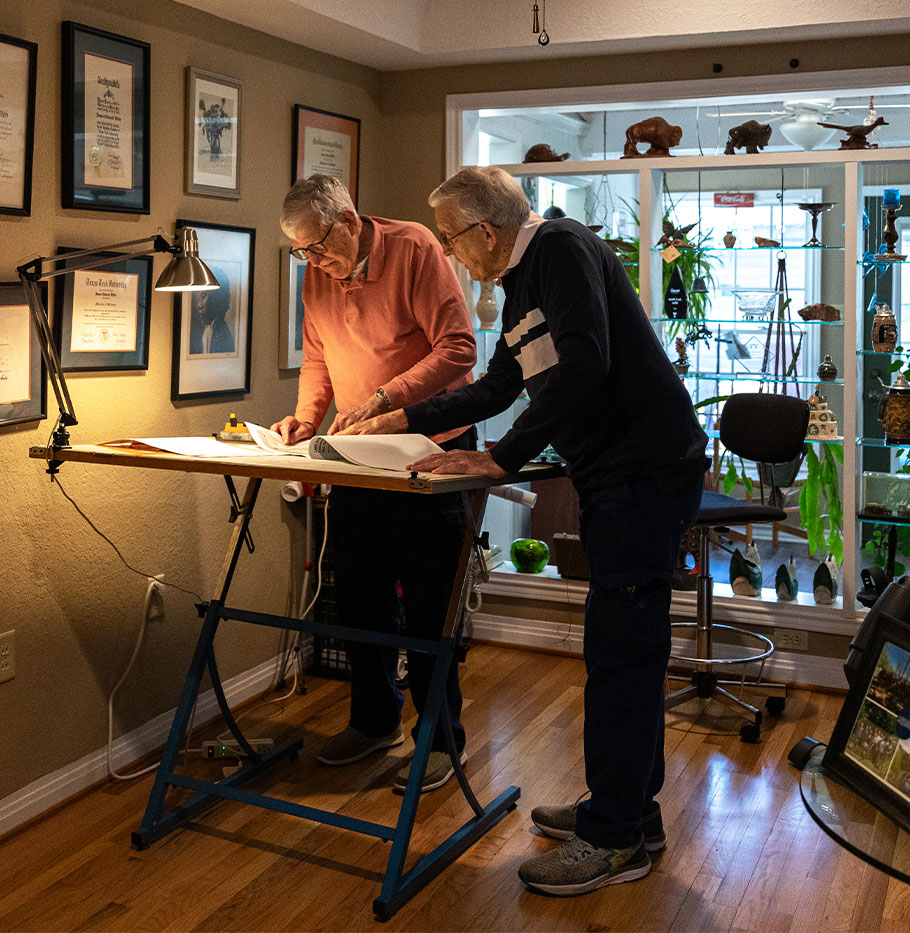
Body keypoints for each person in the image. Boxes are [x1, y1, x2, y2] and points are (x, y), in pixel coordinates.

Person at [338, 166, 708, 895]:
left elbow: (587, 365)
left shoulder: (562, 249)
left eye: (450, 239)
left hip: (644, 473)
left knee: (623, 654)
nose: (450, 254)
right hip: (614, 476)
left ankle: (613, 839)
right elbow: (499, 386)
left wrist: (501, 454)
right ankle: (627, 811)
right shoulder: (520, 287)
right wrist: (400, 417)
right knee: (618, 650)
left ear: (486, 230)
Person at [272, 174, 478, 791]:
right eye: (300, 252)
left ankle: (441, 740)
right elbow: (318, 356)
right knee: (358, 593)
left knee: (427, 603)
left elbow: (459, 350)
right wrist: (306, 419)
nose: (313, 261)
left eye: (317, 247)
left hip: (429, 447)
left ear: (349, 220)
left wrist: (391, 397)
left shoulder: (414, 249)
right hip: (357, 452)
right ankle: (374, 720)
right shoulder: (318, 273)